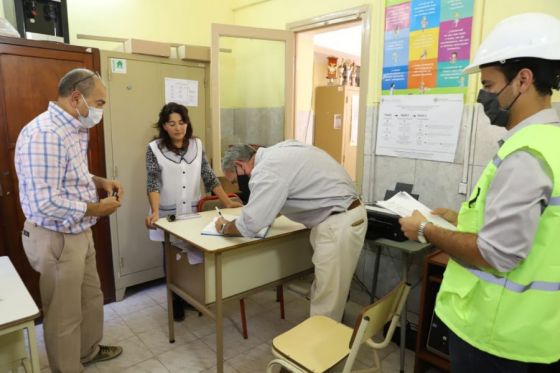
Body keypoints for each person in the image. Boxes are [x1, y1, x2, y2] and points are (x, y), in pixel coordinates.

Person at [399, 13, 560, 372]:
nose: (483, 97)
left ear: (523, 80)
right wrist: (458, 218)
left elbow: (497, 254)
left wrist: (425, 230)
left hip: (496, 334)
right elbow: (540, 227)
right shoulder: (552, 144)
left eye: (488, 85)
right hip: (537, 330)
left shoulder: (526, 154)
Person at [14, 68, 124, 372]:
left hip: (78, 232)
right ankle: (67, 367)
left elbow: (70, 175)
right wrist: (96, 209)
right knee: (63, 313)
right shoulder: (46, 134)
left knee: (91, 298)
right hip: (56, 236)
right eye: (99, 103)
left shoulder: (73, 127)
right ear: (77, 98)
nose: (101, 110)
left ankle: (87, 351)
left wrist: (100, 181)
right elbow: (45, 202)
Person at [214, 140, 367, 321]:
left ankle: (322, 345)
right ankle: (329, 332)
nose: (239, 186)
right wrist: (265, 213)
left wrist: (224, 226)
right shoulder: (280, 150)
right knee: (330, 290)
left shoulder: (265, 170)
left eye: (235, 179)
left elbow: (251, 224)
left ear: (240, 165)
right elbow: (280, 198)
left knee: (327, 300)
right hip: (345, 215)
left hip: (338, 223)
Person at [145, 102, 241, 321]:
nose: (178, 128)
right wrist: (155, 211)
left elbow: (208, 176)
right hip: (166, 213)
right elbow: (153, 181)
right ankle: (175, 300)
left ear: (187, 124)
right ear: (164, 126)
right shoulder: (154, 149)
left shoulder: (197, 145)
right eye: (172, 123)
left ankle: (190, 295)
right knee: (170, 256)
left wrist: (226, 201)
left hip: (192, 211)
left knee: (192, 254)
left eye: (182, 122)